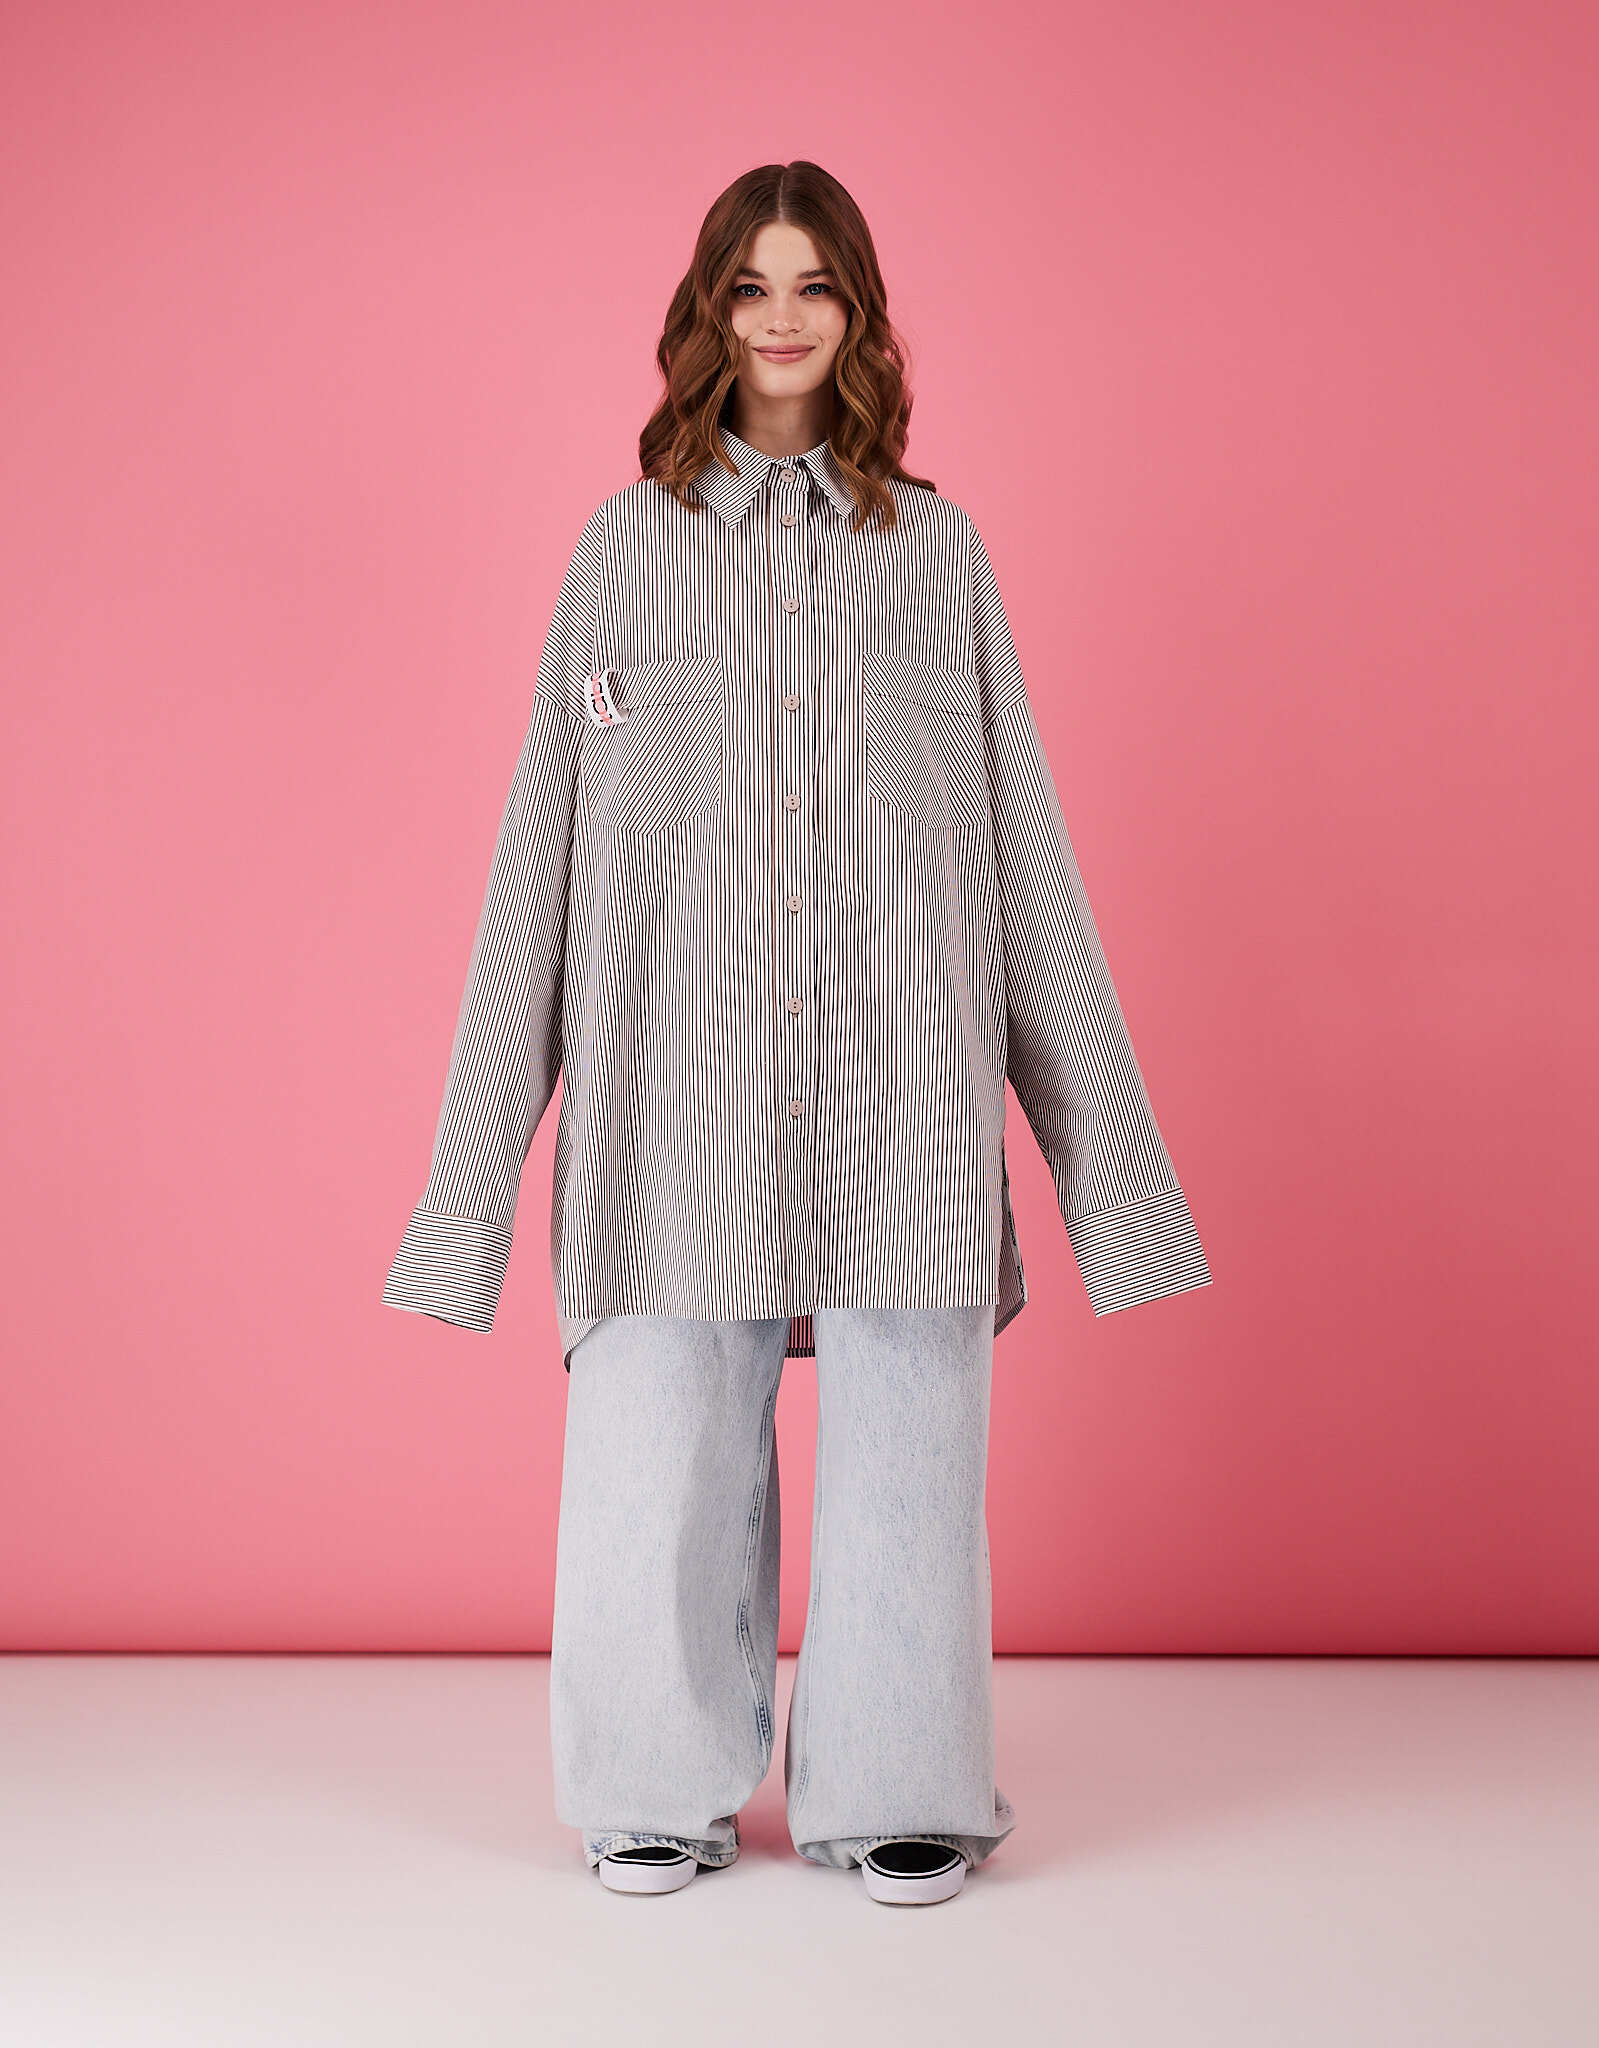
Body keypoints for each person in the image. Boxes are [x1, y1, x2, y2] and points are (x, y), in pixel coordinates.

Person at [384, 161, 1212, 1905]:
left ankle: (900, 1782)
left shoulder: (938, 559)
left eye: (815, 285)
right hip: (667, 1113)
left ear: (858, 314)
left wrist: (1112, 1186)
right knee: (656, 1451)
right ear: (709, 311)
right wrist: (468, 1198)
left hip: (902, 1099)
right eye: (750, 285)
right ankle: (649, 1782)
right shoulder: (620, 553)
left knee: (910, 1455)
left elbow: (1024, 865)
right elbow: (538, 870)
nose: (781, 318)